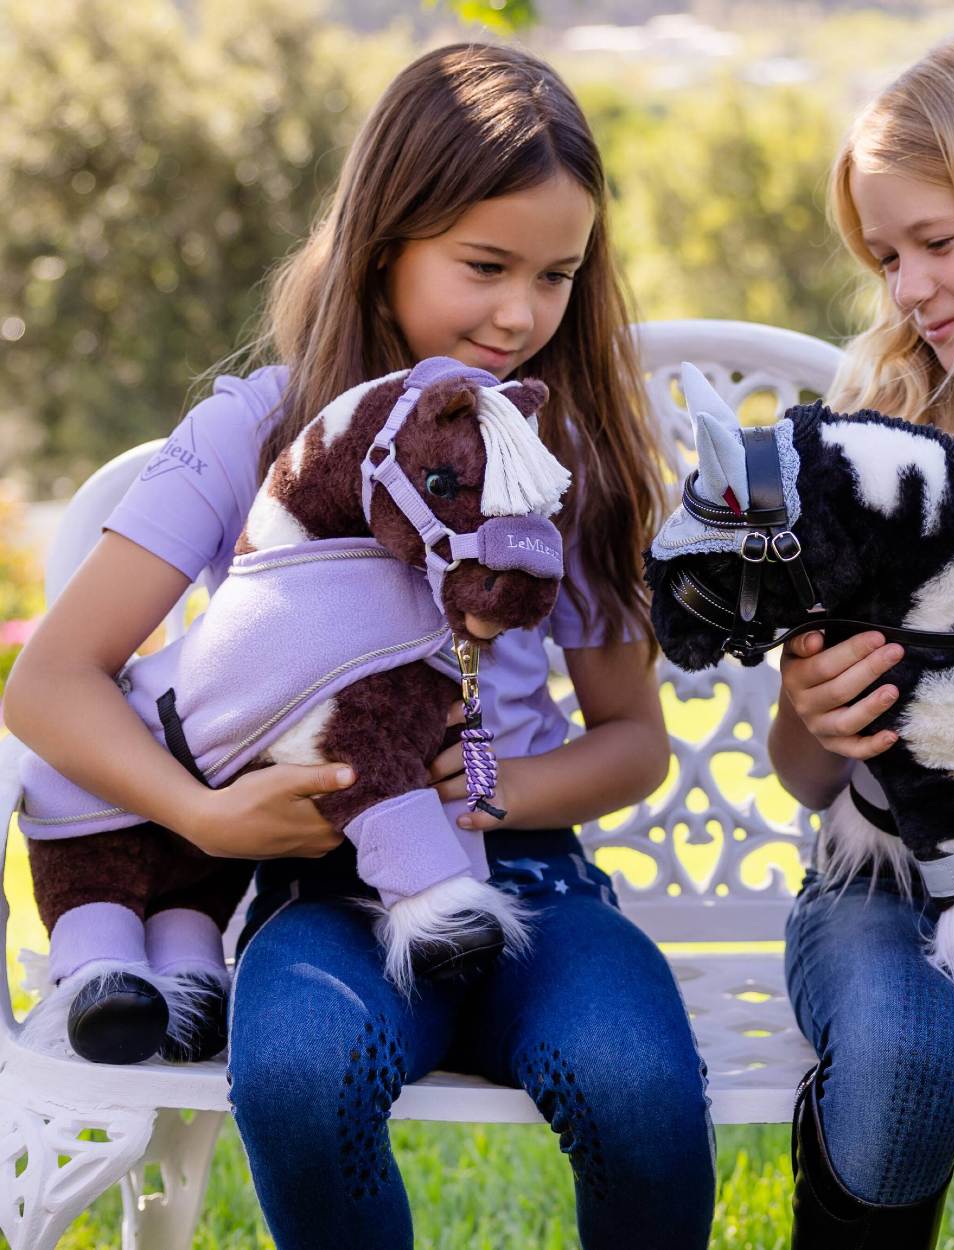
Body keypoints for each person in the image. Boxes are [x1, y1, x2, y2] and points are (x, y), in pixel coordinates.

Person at [5, 43, 716, 1249]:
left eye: (555, 275)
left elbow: (634, 741)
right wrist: (205, 817)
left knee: (638, 1084)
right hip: (315, 893)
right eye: (483, 266)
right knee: (296, 1074)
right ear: (385, 240)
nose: (518, 314)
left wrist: (496, 788)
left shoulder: (561, 458)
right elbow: (48, 683)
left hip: (533, 882)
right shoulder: (254, 431)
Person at [770, 26, 954, 1248]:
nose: (907, 288)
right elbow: (803, 772)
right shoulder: (881, 439)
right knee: (909, 1052)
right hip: (874, 882)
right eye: (885, 255)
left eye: (936, 243)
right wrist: (814, 711)